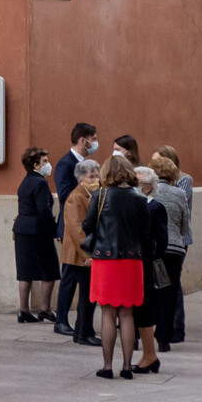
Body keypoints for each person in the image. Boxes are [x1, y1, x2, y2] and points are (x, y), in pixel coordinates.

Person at [82, 153, 151, 377]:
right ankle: (127, 367)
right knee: (127, 314)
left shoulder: (100, 195)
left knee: (108, 313)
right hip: (132, 261)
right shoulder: (140, 198)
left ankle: (108, 366)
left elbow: (88, 224)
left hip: (105, 259)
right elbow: (146, 234)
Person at [51, 126, 98, 331]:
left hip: (85, 226)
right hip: (70, 225)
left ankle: (74, 322)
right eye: (93, 138)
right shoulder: (65, 163)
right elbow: (63, 195)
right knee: (69, 275)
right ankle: (61, 320)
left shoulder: (87, 165)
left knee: (78, 277)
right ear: (82, 140)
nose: (96, 142)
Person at [13, 148, 59, 322]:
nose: (48, 164)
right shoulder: (40, 183)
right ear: (35, 165)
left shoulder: (25, 181)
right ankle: (45, 308)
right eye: (45, 161)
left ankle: (24, 310)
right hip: (38, 230)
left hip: (22, 228)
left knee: (25, 271)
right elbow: (44, 210)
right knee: (50, 269)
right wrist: (54, 230)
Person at [58, 159, 100, 345]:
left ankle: (83, 331)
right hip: (79, 255)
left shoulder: (90, 194)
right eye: (92, 176)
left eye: (97, 175)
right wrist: (88, 256)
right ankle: (84, 333)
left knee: (89, 295)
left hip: (84, 253)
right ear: (81, 179)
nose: (96, 179)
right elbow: (76, 229)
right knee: (87, 296)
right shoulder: (76, 197)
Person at [132, 166, 170, 372]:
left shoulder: (155, 207)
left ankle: (150, 355)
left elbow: (161, 241)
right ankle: (146, 355)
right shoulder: (135, 205)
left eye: (136, 182)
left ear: (147, 186)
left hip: (146, 264)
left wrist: (151, 257)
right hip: (135, 263)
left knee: (146, 308)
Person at [156, 144, 192, 343]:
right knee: (167, 286)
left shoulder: (184, 182)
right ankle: (165, 332)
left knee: (168, 285)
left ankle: (174, 328)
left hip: (169, 244)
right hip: (175, 245)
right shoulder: (175, 193)